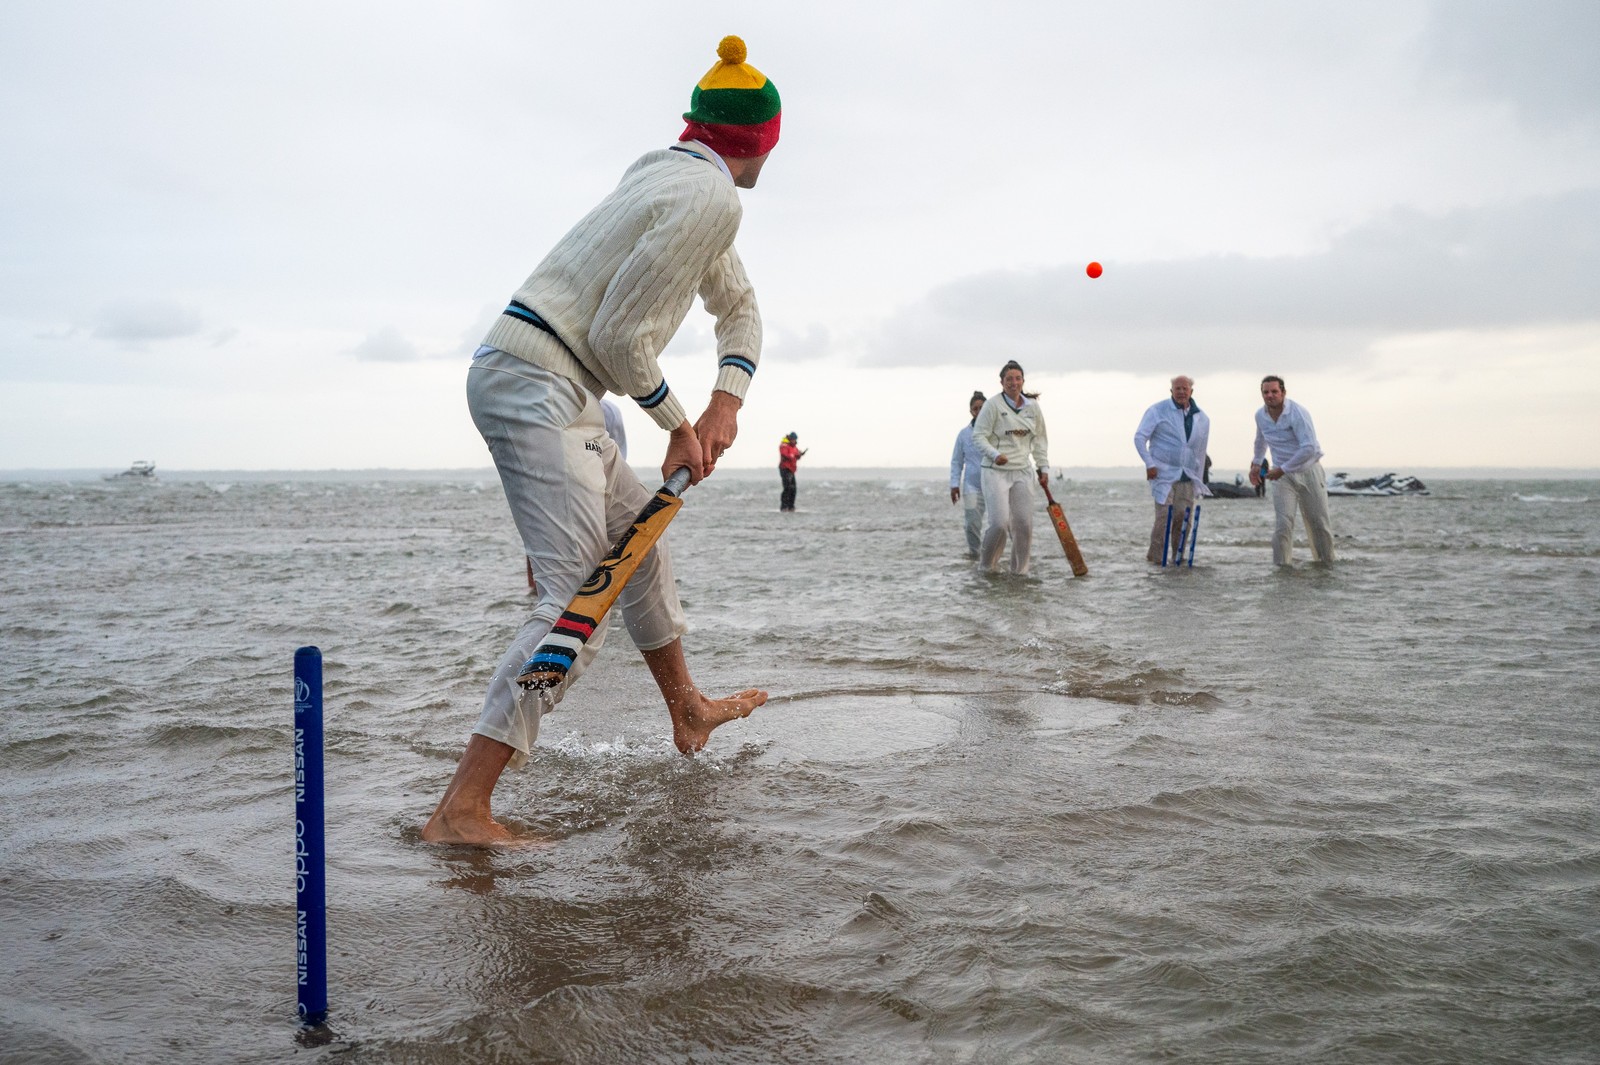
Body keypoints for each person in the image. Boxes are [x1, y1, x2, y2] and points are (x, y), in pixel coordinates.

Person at [424, 36, 779, 846]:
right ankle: (462, 809)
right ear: (763, 141)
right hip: (538, 379)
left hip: (555, 382)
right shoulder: (709, 198)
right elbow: (622, 335)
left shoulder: (669, 174)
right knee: (575, 599)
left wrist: (727, 404)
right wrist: (681, 425)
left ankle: (686, 707)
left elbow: (741, 311)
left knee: (639, 543)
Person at [973, 360, 1050, 575]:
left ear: (1023, 381)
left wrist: (1043, 468)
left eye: (1017, 379)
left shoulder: (1032, 407)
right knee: (999, 523)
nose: (1013, 383)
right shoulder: (993, 405)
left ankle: (1020, 572)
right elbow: (978, 436)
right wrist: (995, 455)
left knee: (1024, 524)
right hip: (994, 471)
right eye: (1009, 379)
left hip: (1022, 471)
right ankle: (986, 567)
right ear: (1002, 382)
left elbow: (1040, 439)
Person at [1250, 375, 1335, 565]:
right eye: (1266, 392)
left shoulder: (1298, 413)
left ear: (1283, 393)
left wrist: (1284, 468)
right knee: (1283, 524)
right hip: (1281, 476)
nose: (1270, 396)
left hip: (1308, 470)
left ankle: (1326, 564)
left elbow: (1309, 448)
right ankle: (1282, 567)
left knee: (1319, 523)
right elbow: (1260, 440)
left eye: (1274, 391)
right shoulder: (1260, 415)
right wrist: (1256, 464)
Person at [1133, 375, 1211, 563]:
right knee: (1163, 519)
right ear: (1171, 391)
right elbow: (1139, 438)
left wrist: (1199, 481)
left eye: (1185, 389)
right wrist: (1149, 464)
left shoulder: (1202, 418)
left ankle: (1179, 559)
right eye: (1178, 389)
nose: (1181, 392)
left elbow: (1200, 451)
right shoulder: (1157, 411)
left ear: (1191, 391)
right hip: (1163, 474)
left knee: (1183, 519)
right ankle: (1156, 560)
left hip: (1188, 475)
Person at [949, 391, 987, 557]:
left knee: (1003, 523)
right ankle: (975, 554)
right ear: (971, 411)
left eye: (982, 408)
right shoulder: (964, 434)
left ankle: (999, 554)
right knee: (971, 523)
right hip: (972, 486)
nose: (979, 411)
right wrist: (954, 484)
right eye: (975, 409)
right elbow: (957, 461)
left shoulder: (996, 431)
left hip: (995, 484)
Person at [778, 432, 806, 511]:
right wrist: (793, 455)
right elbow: (785, 455)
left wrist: (800, 454)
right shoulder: (784, 445)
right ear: (790, 438)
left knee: (793, 488)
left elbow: (796, 455)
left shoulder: (794, 447)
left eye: (795, 439)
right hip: (785, 469)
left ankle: (791, 506)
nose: (794, 441)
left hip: (792, 470)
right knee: (787, 488)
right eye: (793, 439)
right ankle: (783, 507)